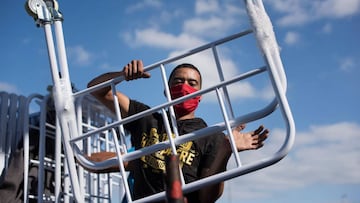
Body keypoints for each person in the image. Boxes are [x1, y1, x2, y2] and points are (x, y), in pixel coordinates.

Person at [87, 60, 269, 202]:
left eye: (192, 83)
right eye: (178, 81)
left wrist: (226, 150)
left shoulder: (212, 136)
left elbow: (207, 198)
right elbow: (96, 90)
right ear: (167, 90)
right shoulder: (146, 117)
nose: (184, 87)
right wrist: (122, 75)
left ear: (200, 95)